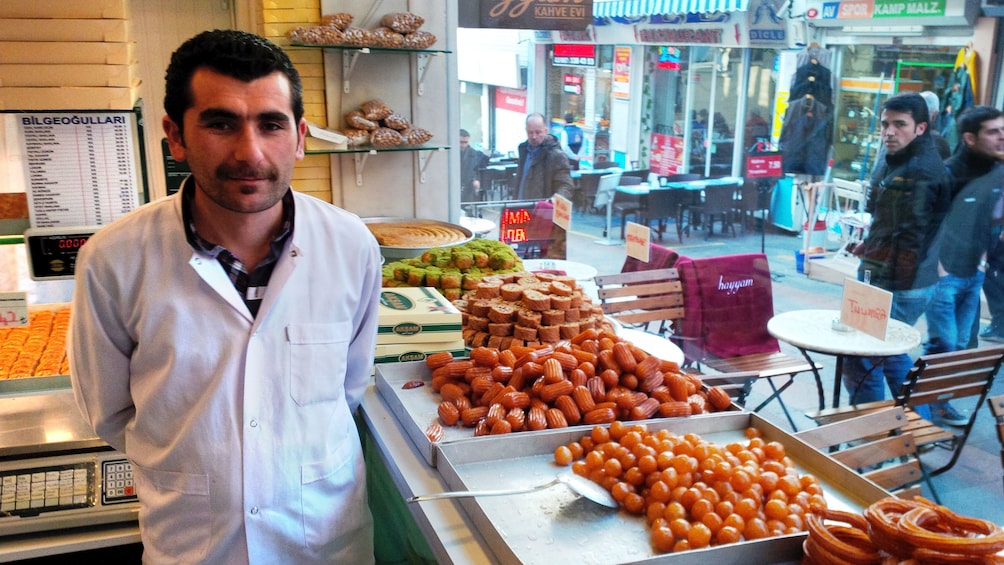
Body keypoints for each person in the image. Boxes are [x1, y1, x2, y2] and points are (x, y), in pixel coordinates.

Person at [69, 30, 380, 563]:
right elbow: (110, 413)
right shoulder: (113, 259)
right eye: (220, 123)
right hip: (193, 544)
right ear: (176, 135)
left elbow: (349, 386)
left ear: (300, 137)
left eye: (271, 124)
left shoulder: (351, 245)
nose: (250, 152)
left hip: (324, 543)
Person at [843, 92, 950, 405]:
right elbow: (895, 223)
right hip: (902, 276)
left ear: (920, 127)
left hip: (900, 282)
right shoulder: (902, 160)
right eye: (885, 124)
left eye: (899, 124)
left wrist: (878, 264)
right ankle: (914, 427)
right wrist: (872, 244)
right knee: (887, 353)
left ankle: (872, 434)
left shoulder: (919, 171)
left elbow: (912, 236)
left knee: (864, 356)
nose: (889, 131)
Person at [922, 106, 1004, 425]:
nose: (1002, 137)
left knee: (956, 347)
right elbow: (929, 223)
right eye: (993, 131)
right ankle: (927, 409)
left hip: (974, 273)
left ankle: (934, 406)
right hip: (945, 276)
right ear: (970, 138)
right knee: (944, 344)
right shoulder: (949, 173)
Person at [514, 113, 574, 258]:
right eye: (530, 132)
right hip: (523, 210)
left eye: (538, 132)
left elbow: (566, 184)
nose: (534, 136)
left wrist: (557, 198)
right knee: (522, 254)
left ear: (546, 131)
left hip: (543, 216)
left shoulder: (556, 155)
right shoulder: (523, 149)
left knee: (541, 257)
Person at [459, 128, 488, 204]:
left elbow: (477, 171)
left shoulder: (474, 154)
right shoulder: (450, 153)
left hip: (469, 187)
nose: (463, 145)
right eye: (461, 142)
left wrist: (477, 180)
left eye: (466, 142)